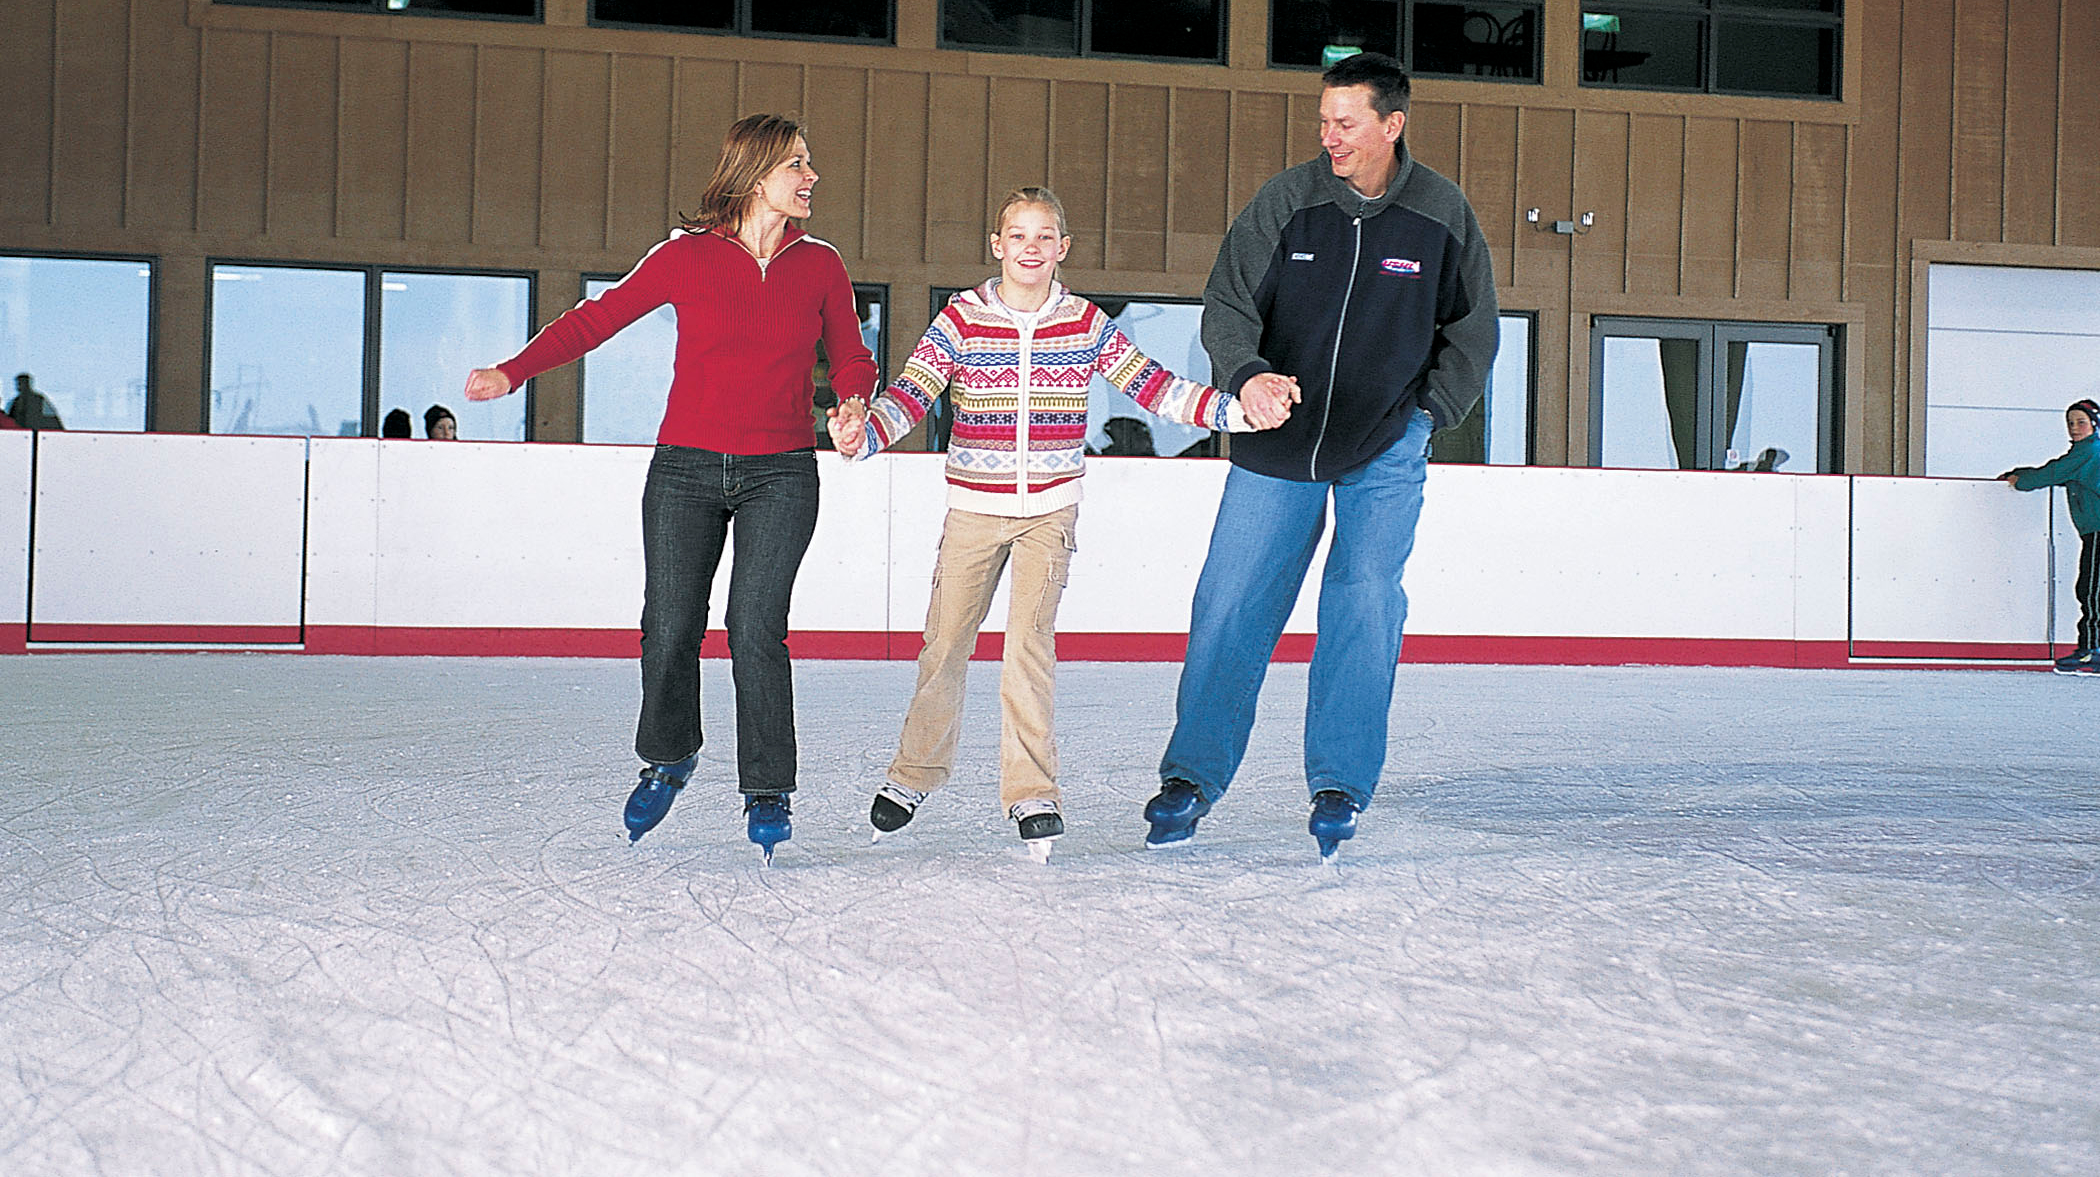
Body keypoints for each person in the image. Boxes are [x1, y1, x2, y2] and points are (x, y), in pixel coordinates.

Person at [464, 113, 875, 859]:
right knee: (670, 624)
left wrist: (853, 401)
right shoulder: (686, 256)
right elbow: (596, 320)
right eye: (798, 166)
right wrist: (511, 372)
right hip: (684, 467)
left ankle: (767, 788)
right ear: (756, 177)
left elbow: (851, 353)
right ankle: (669, 755)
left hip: (781, 471)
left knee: (755, 627)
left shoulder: (820, 265)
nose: (812, 178)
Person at [830, 186, 1271, 857]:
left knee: (1028, 651)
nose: (1030, 248)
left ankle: (1031, 792)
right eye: (1018, 236)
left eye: (1044, 237)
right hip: (975, 510)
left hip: (1048, 514)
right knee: (944, 645)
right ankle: (915, 773)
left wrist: (1238, 412)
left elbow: (1154, 387)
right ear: (997, 245)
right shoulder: (961, 319)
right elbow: (912, 393)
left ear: (1061, 249)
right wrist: (862, 437)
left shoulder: (1085, 323)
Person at [1142, 52, 1500, 858]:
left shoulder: (1441, 214)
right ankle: (1190, 777)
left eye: (1345, 122)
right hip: (1277, 442)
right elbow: (1228, 303)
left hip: (1385, 445)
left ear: (1391, 124)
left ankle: (1339, 782)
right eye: (1324, 122)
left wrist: (1429, 415)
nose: (1328, 136)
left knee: (1365, 602)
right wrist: (1247, 375)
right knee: (1229, 605)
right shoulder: (1288, 203)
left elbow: (1472, 332)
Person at [2001, 398, 2100, 674]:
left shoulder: (2089, 452)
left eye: (2081, 422)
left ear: (2094, 424)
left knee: (2091, 591)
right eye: (2070, 423)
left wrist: (2019, 480)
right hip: (2094, 531)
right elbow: (2058, 473)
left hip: (2099, 532)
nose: (2074, 428)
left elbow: (2050, 473)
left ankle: (2091, 650)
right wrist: (2020, 473)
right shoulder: (2086, 454)